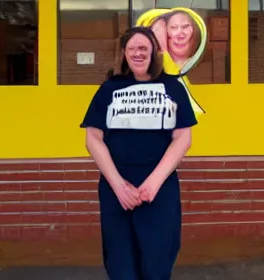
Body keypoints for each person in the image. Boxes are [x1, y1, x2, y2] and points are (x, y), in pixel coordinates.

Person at [81, 26, 198, 280]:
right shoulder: (109, 89)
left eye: (143, 48)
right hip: (117, 188)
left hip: (159, 188)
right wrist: (119, 186)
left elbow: (183, 138)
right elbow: (93, 138)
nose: (137, 53)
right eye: (132, 48)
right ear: (124, 53)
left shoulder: (173, 87)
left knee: (158, 258)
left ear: (154, 52)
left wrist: (154, 183)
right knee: (120, 259)